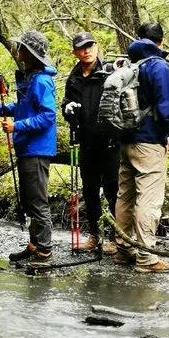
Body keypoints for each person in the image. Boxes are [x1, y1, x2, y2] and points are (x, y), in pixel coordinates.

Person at [0, 31, 57, 264]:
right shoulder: (31, 77)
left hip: (37, 150)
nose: (18, 50)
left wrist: (17, 126)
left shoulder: (42, 80)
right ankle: (34, 245)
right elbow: (21, 107)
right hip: (27, 148)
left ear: (30, 53)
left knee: (37, 201)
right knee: (29, 199)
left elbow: (48, 116)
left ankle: (45, 251)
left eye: (21, 47)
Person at [114, 22, 169, 272]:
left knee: (126, 195)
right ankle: (146, 258)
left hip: (125, 140)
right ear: (161, 43)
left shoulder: (128, 64)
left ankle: (123, 250)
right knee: (149, 199)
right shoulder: (158, 66)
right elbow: (166, 108)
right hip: (149, 144)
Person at [60, 32, 118, 254]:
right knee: (90, 189)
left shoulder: (109, 72)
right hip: (85, 141)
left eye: (90, 46)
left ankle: (116, 237)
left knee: (113, 188)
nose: (87, 51)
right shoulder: (74, 77)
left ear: (97, 46)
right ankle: (95, 235)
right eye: (81, 48)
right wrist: (67, 109)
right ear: (75, 52)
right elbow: (66, 102)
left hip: (110, 140)